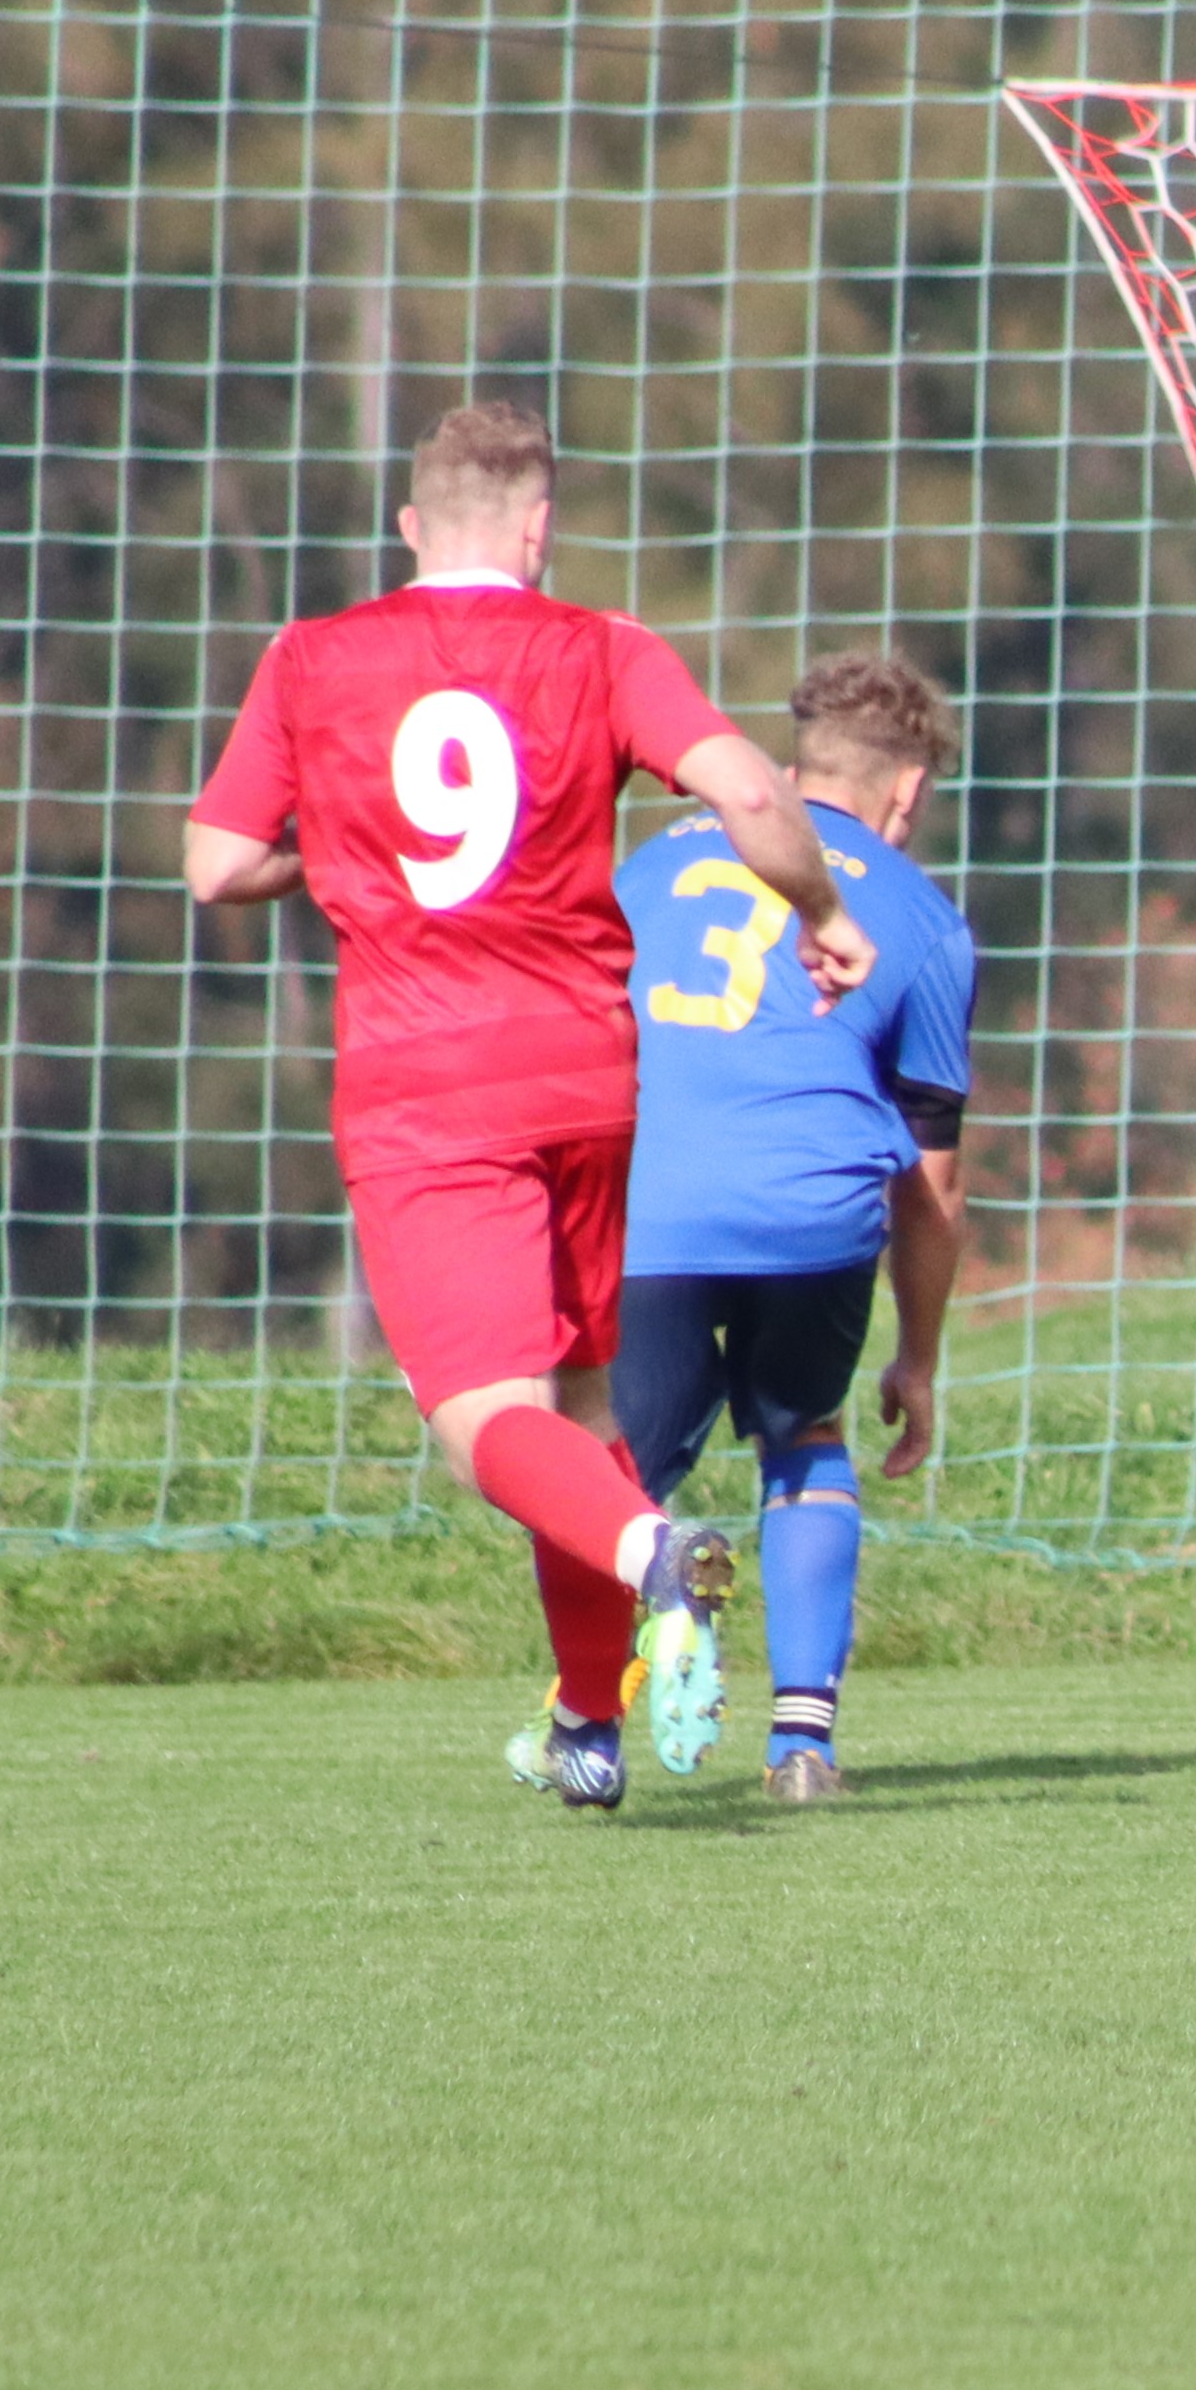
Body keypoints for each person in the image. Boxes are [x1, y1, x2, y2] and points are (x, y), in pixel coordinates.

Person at [182, 399, 873, 1809]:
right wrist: (821, 909)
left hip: (428, 1087)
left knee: (483, 1417)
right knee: (582, 1401)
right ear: (541, 529)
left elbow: (215, 860)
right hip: (588, 1075)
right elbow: (748, 791)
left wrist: (342, 856)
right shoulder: (605, 647)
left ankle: (655, 1553)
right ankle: (585, 1723)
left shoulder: (310, 656)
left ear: (410, 526)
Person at [605, 649, 979, 1804]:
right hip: (810, 1217)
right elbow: (931, 1186)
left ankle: (590, 1718)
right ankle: (802, 1746)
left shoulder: (646, 868)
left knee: (613, 1478)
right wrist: (918, 1359)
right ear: (906, 789)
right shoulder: (923, 918)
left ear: (795, 763)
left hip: (652, 1208)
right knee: (806, 1431)